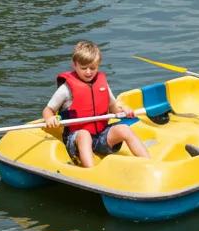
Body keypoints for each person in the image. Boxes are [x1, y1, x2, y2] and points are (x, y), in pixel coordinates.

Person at [42, 40, 149, 169]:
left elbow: (113, 108)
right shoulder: (66, 89)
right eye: (83, 68)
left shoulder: (102, 84)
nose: (88, 72)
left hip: (100, 136)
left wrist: (123, 110)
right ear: (75, 65)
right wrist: (49, 118)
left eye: (93, 68)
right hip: (76, 137)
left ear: (98, 65)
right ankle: (91, 170)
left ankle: (149, 163)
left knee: (124, 129)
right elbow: (48, 110)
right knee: (85, 135)